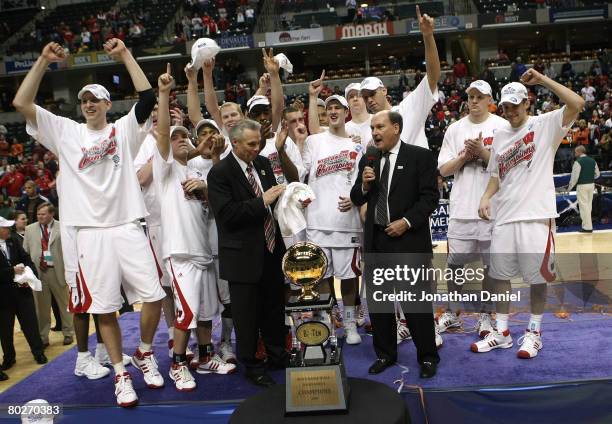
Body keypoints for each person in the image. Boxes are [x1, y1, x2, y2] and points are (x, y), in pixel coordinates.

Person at [13, 39, 165, 407]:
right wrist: (44, 61)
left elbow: (146, 99)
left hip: (127, 224)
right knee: (103, 308)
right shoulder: (66, 131)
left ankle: (144, 351)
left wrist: (126, 54)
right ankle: (120, 373)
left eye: (95, 98)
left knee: (155, 296)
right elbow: (21, 103)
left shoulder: (122, 130)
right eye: (83, 100)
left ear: (107, 104)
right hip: (89, 233)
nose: (88, 104)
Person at [477, 69, 585, 359]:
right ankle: (501, 332)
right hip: (504, 217)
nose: (510, 111)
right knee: (500, 277)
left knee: (538, 279)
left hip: (536, 216)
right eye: (506, 106)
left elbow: (576, 103)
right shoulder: (499, 136)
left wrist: (543, 80)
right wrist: (486, 197)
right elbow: (495, 175)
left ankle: (534, 332)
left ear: (527, 103)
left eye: (515, 104)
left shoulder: (546, 124)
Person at [154, 67, 235, 392]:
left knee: (205, 311)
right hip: (179, 250)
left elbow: (219, 207)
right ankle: (176, 364)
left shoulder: (200, 173)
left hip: (201, 249)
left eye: (184, 136)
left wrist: (206, 189)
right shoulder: (166, 169)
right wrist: (163, 95)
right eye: (176, 138)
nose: (181, 141)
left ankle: (203, 356)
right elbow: (162, 135)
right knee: (186, 312)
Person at [350, 110, 440, 377]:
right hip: (376, 240)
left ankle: (427, 357)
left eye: (380, 127)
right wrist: (365, 187)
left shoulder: (420, 156)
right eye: (372, 127)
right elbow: (356, 196)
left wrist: (407, 222)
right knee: (380, 305)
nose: (375, 132)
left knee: (416, 305)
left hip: (409, 240)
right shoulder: (369, 158)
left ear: (396, 128)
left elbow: (430, 198)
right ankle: (385, 354)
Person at [207, 119, 288, 388]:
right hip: (242, 257)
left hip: (271, 250)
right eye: (251, 144)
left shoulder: (263, 165)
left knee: (274, 308)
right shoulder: (220, 173)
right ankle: (252, 365)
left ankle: (278, 356)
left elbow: (273, 206)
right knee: (247, 316)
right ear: (235, 143)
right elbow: (227, 215)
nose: (257, 148)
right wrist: (261, 201)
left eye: (259, 143)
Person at [436, 80, 510, 343]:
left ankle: (487, 315)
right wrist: (465, 157)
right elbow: (443, 169)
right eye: (471, 96)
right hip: (461, 208)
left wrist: (483, 153)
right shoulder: (455, 129)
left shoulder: (502, 126)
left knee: (492, 268)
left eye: (480, 96)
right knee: (454, 266)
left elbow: (509, 166)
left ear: (490, 99)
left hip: (493, 209)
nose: (474, 101)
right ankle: (454, 312)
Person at [301, 94, 363, 345]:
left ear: (347, 112)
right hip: (317, 220)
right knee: (322, 276)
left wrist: (356, 199)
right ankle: (327, 324)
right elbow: (301, 173)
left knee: (348, 278)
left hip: (346, 221)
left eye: (338, 107)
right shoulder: (314, 141)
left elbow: (363, 182)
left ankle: (349, 324)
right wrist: (312, 96)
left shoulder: (358, 146)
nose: (334, 111)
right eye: (329, 108)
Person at [359, 6, 440, 150]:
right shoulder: (367, 130)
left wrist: (428, 36)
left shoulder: (408, 109)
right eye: (365, 97)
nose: (369, 100)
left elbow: (433, 76)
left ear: (384, 91)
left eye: (372, 94)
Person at [0, 216, 48, 374]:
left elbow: (26, 258)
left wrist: (30, 275)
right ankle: (9, 357)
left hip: (22, 291)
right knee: (5, 330)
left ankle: (38, 353)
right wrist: (11, 271)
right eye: (5, 228)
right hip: (3, 296)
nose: (9, 230)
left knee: (30, 324)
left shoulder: (13, 240)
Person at [22, 202, 74, 347]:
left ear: (52, 214)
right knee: (41, 308)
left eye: (43, 214)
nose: (40, 217)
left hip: (57, 271)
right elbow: (25, 251)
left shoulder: (62, 227)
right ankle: (43, 337)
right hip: (38, 273)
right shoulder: (30, 229)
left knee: (64, 305)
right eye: (38, 214)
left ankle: (68, 333)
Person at [568, 145, 600, 233]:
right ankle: (588, 226)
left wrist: (569, 188)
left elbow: (574, 177)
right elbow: (597, 174)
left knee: (583, 206)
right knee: (588, 206)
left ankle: (587, 227)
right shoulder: (593, 161)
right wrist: (589, 177)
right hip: (591, 185)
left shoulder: (578, 162)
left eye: (575, 152)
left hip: (582, 186)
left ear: (579, 152)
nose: (575, 154)